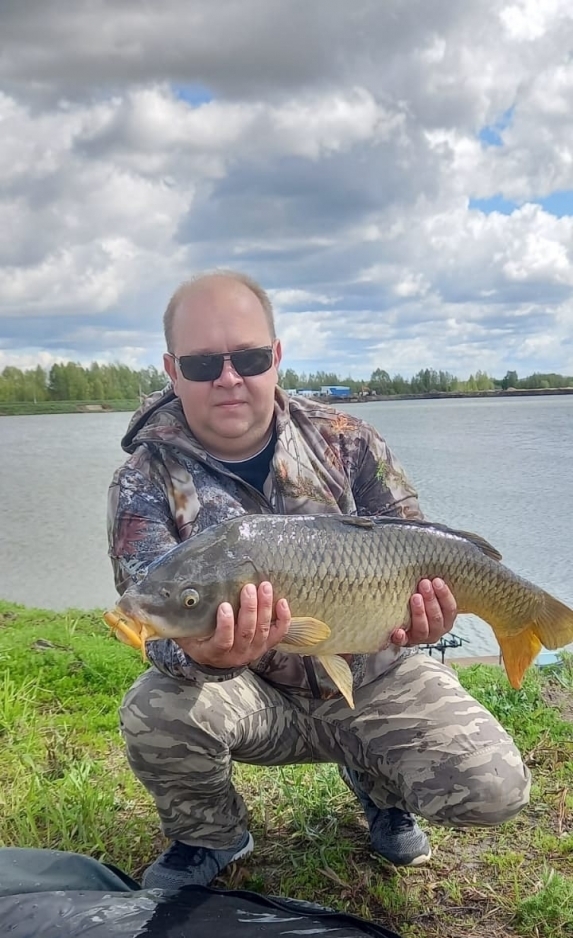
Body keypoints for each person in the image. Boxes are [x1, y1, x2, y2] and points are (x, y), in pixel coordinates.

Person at [107, 270, 531, 891]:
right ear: (172, 370)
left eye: (248, 357)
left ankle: (380, 787)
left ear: (275, 358)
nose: (229, 378)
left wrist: (427, 621)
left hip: (373, 676)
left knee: (494, 788)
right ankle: (212, 834)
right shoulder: (142, 480)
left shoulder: (347, 440)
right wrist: (201, 653)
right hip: (254, 695)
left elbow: (414, 546)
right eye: (202, 364)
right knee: (155, 709)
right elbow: (151, 621)